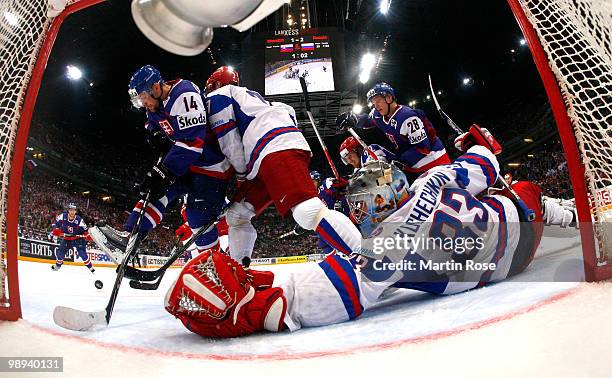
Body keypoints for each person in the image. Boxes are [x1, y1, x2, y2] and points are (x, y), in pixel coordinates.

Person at [163, 125, 577, 337]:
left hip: (505, 263)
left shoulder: (388, 244)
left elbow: (338, 291)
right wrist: (476, 143)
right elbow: (486, 165)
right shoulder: (430, 181)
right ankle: (562, 212)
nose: (362, 213)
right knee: (527, 191)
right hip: (516, 219)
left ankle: (555, 210)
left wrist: (262, 301)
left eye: (363, 206)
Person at [204, 66, 362, 265]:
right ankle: (238, 272)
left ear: (216, 85)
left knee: (307, 211)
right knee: (237, 215)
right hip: (266, 157)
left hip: (272, 149)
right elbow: (288, 116)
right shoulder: (264, 103)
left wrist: (241, 176)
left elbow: (229, 141)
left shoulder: (219, 94)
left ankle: (367, 258)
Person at [90, 65, 230, 262]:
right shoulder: (155, 105)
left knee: (197, 216)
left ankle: (218, 265)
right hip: (188, 165)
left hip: (210, 167)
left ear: (156, 87)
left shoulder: (184, 94)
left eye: (143, 98)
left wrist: (164, 170)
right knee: (154, 191)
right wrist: (155, 136)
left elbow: (193, 143)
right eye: (138, 101)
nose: (143, 104)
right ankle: (128, 241)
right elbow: (154, 126)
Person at [336, 82, 450, 177]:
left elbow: (423, 148)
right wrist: (354, 119)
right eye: (373, 103)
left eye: (378, 101)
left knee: (389, 172)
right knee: (373, 150)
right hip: (409, 160)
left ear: (389, 98)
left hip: (433, 161)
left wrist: (398, 165)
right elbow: (367, 121)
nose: (376, 106)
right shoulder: (378, 114)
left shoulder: (407, 117)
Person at [51, 203, 94, 273]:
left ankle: (90, 267)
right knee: (60, 253)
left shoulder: (79, 220)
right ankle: (58, 266)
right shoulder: (63, 216)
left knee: (82, 254)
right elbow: (55, 223)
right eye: (71, 210)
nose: (72, 212)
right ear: (68, 210)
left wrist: (87, 235)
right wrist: (56, 229)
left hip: (78, 239)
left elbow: (85, 230)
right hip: (67, 238)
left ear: (76, 211)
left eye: (73, 210)